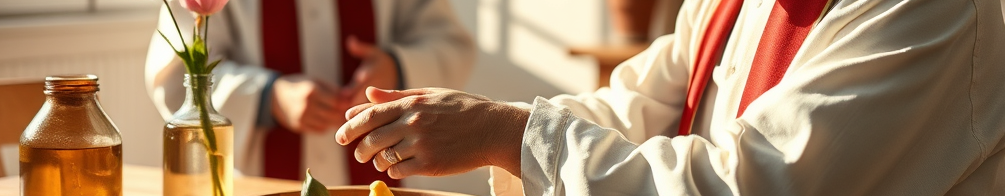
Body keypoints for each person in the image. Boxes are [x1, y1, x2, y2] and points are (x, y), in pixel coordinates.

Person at [336, 0, 1005, 195]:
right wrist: (481, 123)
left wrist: (510, 134)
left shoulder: (924, 9)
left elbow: (756, 184)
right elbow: (634, 109)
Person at [145, 0, 475, 187]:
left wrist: (396, 67)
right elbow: (176, 76)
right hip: (260, 175)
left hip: (376, 176)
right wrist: (269, 97)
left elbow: (448, 43)